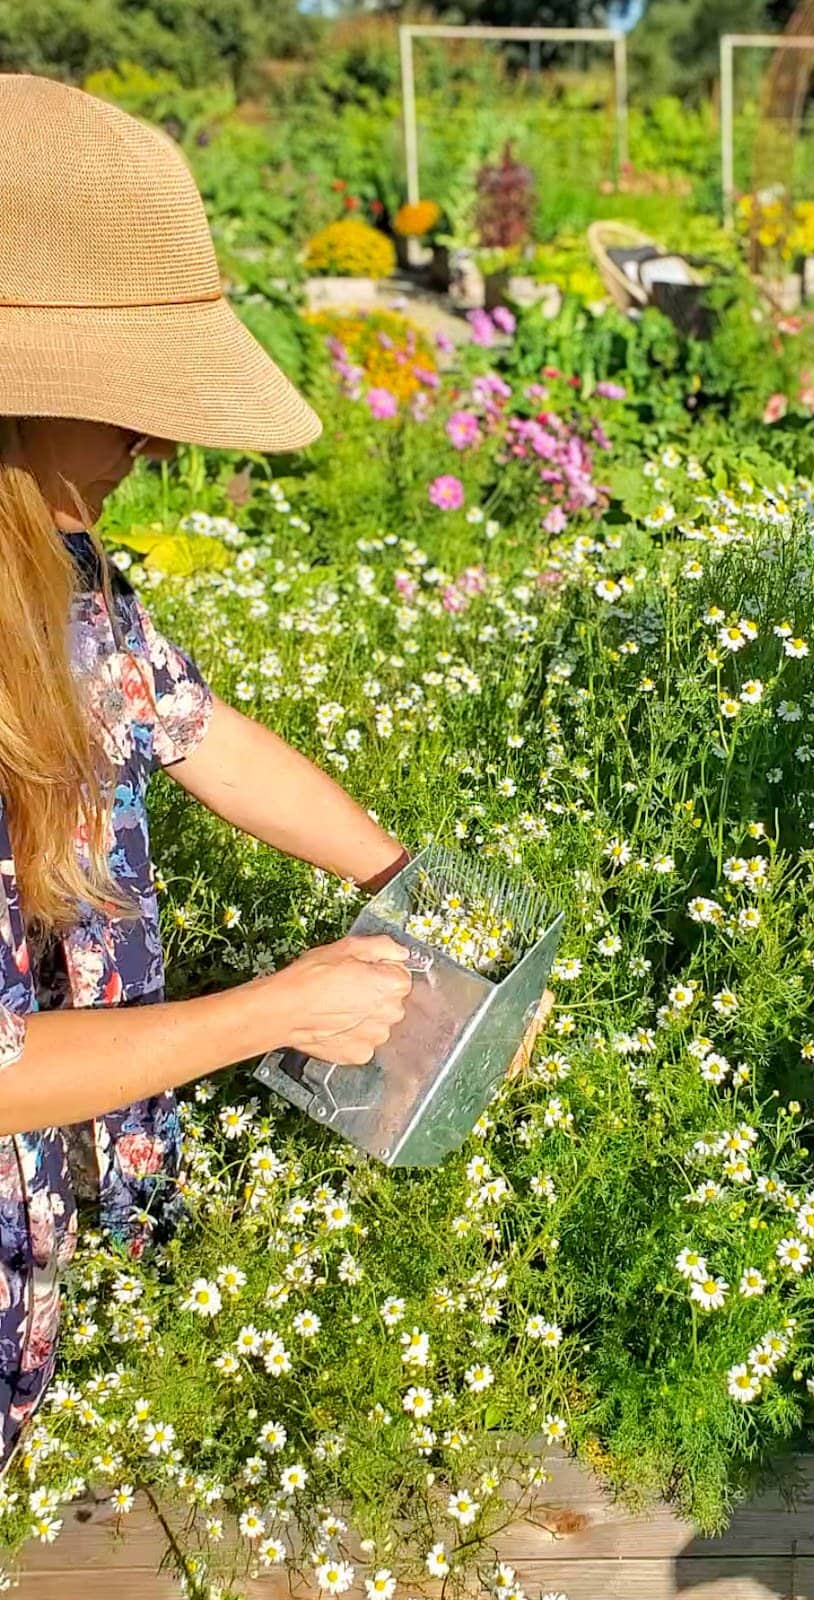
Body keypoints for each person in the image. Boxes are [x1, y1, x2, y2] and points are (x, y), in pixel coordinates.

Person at [0, 74, 414, 1461]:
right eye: (124, 402)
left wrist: (416, 888)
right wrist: (275, 1009)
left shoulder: (62, 596)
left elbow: (205, 738)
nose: (158, 441)